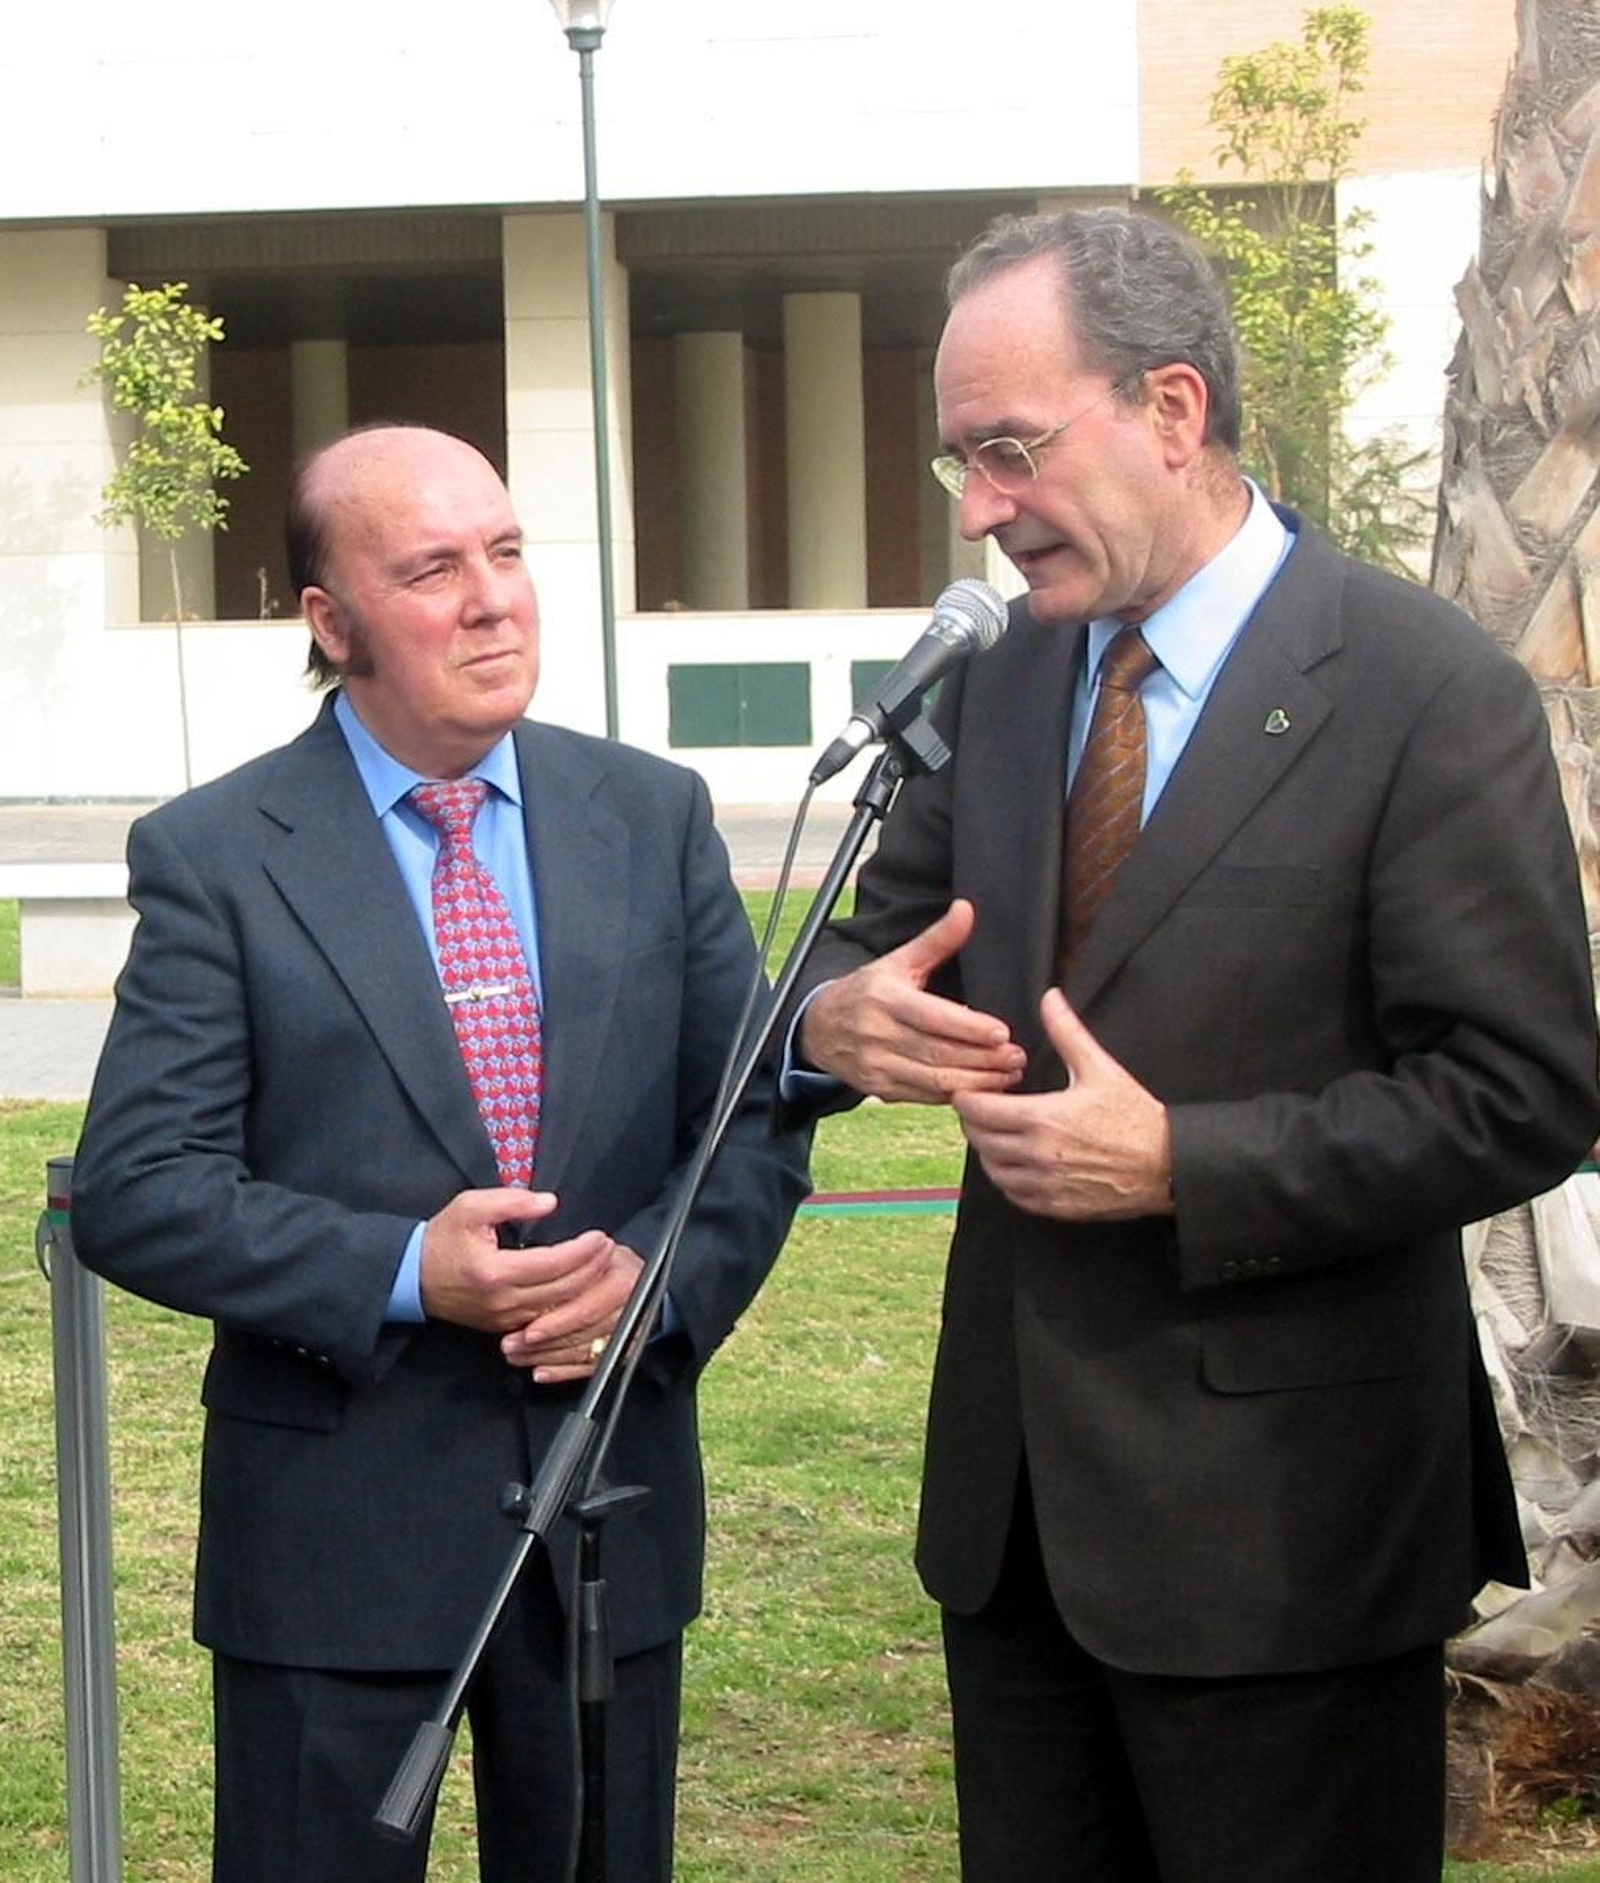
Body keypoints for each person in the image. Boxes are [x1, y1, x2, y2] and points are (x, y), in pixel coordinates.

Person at [787, 207, 1600, 1880]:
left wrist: (1185, 1164)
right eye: (960, 464)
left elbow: (1521, 1092)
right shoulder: (1002, 682)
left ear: (1172, 409)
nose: (983, 509)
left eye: (1010, 452)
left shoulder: (1424, 689)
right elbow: (892, 931)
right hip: (1013, 1530)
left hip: (1289, 1540)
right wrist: (833, 1009)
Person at [71, 423, 811, 1883]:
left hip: (606, 1526)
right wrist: (409, 1270)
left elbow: (750, 1126)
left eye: (508, 551)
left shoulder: (649, 818)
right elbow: (138, 1190)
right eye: (432, 569)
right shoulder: (220, 857)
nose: (492, 598)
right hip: (334, 1548)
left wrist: (651, 1290)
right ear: (331, 623)